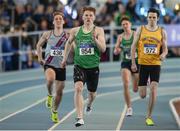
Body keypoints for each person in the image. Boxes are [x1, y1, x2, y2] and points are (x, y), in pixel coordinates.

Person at [62, 6, 106, 127]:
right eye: (86, 15)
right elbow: (68, 43)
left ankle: (89, 104)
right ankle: (80, 117)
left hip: (93, 66)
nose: (88, 17)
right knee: (78, 89)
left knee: (92, 94)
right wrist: (64, 59)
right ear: (82, 17)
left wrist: (95, 40)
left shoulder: (99, 31)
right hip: (79, 65)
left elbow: (103, 49)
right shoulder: (75, 31)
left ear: (94, 18)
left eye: (91, 15)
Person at [131, 8, 168, 126]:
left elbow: (166, 49)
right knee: (142, 95)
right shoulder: (140, 29)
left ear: (158, 18)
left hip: (155, 64)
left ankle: (149, 116)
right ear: (147, 18)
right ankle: (144, 81)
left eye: (154, 17)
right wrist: (133, 62)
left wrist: (163, 54)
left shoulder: (162, 31)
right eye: (150, 17)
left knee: (153, 89)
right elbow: (133, 46)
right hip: (143, 64)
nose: (152, 19)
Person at [36, 11, 68, 123]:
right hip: (49, 64)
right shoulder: (47, 34)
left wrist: (69, 57)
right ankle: (49, 95)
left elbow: (73, 48)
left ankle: (54, 111)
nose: (58, 20)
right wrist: (40, 57)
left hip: (61, 66)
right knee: (50, 79)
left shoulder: (67, 35)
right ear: (53, 22)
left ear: (63, 21)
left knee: (59, 92)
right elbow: (38, 45)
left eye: (60, 19)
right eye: (56, 19)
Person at [114, 16, 139, 116]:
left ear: (130, 25)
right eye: (123, 24)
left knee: (135, 89)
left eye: (126, 24)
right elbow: (116, 49)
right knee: (125, 83)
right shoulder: (120, 37)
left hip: (137, 62)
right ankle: (129, 108)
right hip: (126, 63)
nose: (125, 26)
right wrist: (117, 50)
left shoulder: (135, 34)